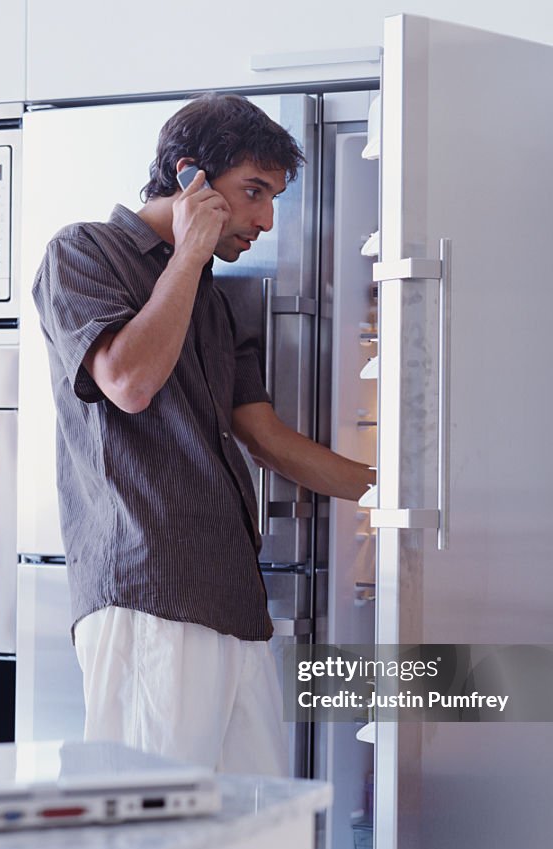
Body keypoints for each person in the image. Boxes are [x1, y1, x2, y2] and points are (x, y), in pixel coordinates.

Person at [32, 93, 373, 776]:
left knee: (253, 835)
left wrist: (397, 497)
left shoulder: (211, 302)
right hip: (148, 596)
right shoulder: (82, 251)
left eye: (273, 197)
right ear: (191, 178)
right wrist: (186, 255)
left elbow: (268, 438)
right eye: (253, 192)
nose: (265, 220)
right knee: (153, 843)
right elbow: (129, 382)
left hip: (232, 605)